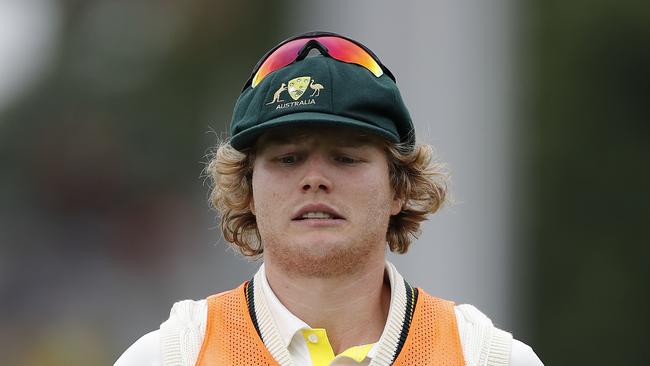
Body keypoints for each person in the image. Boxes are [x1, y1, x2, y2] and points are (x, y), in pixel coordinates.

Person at [115, 31, 543, 366]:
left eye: (346, 157)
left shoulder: (486, 358)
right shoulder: (171, 357)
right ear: (247, 190)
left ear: (399, 187)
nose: (315, 179)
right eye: (287, 158)